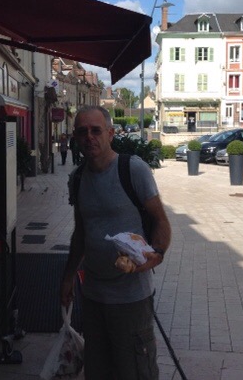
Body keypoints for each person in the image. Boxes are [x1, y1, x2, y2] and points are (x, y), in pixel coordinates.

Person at [60, 106, 171, 380]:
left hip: (131, 296)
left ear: (110, 133)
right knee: (98, 370)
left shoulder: (133, 170)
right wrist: (68, 276)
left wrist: (157, 254)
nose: (89, 137)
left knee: (135, 370)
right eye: (82, 131)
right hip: (93, 295)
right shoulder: (78, 178)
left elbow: (160, 220)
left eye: (96, 130)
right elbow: (81, 233)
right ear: (75, 137)